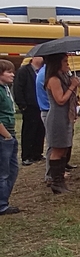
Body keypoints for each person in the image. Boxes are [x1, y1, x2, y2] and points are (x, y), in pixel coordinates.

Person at [43, 53, 80, 194]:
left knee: (64, 148)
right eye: (65, 61)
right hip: (57, 117)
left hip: (65, 116)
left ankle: (60, 178)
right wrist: (72, 86)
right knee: (57, 149)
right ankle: (56, 182)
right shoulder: (54, 79)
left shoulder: (64, 77)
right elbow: (60, 100)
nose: (67, 64)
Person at [13, 56, 45, 165]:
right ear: (34, 57)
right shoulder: (24, 71)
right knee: (29, 130)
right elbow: (18, 88)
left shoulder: (43, 71)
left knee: (40, 130)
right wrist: (22, 105)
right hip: (29, 106)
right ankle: (26, 156)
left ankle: (37, 153)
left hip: (40, 105)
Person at [0, 59, 20, 215]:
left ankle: (4, 200)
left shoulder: (6, 88)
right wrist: (6, 135)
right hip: (4, 134)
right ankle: (1, 205)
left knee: (13, 169)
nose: (12, 74)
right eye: (9, 72)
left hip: (10, 131)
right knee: (4, 171)